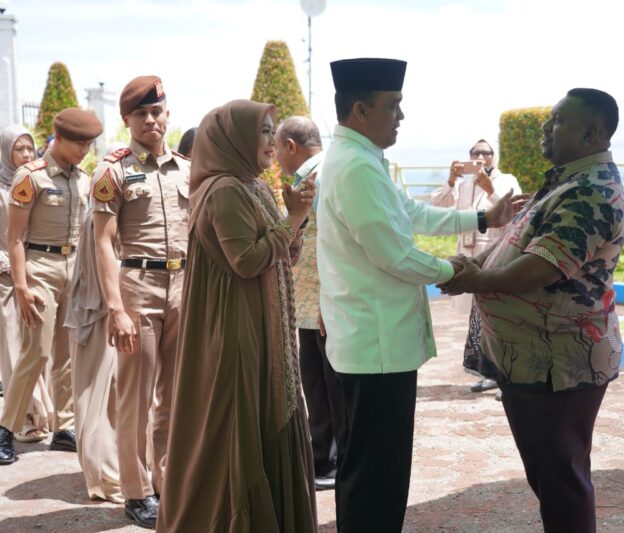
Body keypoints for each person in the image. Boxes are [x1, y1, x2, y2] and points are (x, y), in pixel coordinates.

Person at [316, 57, 518, 532]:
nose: (401, 116)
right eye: (394, 106)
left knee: (370, 470)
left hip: (374, 344)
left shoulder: (362, 160)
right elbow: (394, 254)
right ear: (361, 111)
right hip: (376, 347)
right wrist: (458, 270)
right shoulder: (356, 168)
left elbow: (410, 213)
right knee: (376, 476)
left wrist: (484, 219)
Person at [440, 88, 624, 532]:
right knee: (551, 476)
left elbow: (544, 266)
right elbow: (517, 245)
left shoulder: (590, 189)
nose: (547, 127)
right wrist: (475, 266)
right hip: (539, 361)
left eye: (558, 120)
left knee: (561, 478)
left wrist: (474, 280)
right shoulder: (568, 180)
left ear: (591, 132)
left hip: (560, 365)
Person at [157, 99, 317, 532]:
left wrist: (292, 221)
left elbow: (283, 254)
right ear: (233, 139)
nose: (270, 142)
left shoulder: (254, 185)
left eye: (271, 131)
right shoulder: (224, 188)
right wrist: (296, 217)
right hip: (238, 325)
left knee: (268, 412)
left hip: (264, 322)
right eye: (262, 132)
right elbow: (246, 260)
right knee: (240, 421)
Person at [91, 76, 190, 528]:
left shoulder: (186, 169)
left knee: (174, 394)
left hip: (183, 288)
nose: (152, 120)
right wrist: (116, 308)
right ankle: (135, 491)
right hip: (137, 289)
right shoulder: (112, 170)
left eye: (158, 111)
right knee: (136, 395)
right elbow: (104, 243)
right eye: (142, 114)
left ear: (167, 114)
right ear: (127, 119)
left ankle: (168, 486)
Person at [0, 108, 103, 465]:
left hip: (75, 269)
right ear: (59, 138)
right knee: (37, 352)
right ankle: (6, 429)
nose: (84, 151)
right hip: (40, 267)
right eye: (79, 144)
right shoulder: (31, 177)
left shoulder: (84, 178)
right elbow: (14, 238)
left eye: (90, 144)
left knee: (67, 353)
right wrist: (22, 286)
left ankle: (64, 427)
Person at [275, 115, 345, 491]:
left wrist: (325, 301)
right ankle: (324, 459)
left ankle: (329, 461)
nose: (275, 160)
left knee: (326, 388)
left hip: (320, 304)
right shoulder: (317, 173)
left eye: (277, 151)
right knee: (318, 385)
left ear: (290, 146)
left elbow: (331, 244)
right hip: (312, 305)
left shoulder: (317, 177)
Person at [432, 139, 521, 395]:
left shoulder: (507, 180)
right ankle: (488, 372)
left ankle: (506, 375)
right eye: (475, 152)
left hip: (493, 257)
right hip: (469, 257)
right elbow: (438, 206)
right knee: (477, 321)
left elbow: (516, 216)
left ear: (494, 156)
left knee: (499, 318)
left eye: (486, 152)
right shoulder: (463, 184)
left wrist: (491, 190)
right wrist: (450, 180)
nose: (481, 156)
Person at [64, 145, 124, 503]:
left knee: (115, 395)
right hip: (97, 311)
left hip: (112, 310)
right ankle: (101, 477)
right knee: (94, 394)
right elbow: (98, 270)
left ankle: (112, 472)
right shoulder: (97, 222)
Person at [0, 125, 53, 444]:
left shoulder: (35, 185)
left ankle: (42, 416)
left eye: (30, 148)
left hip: (35, 276)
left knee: (40, 348)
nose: (26, 155)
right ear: (6, 152)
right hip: (5, 282)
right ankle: (19, 422)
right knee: (14, 348)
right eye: (19, 149)